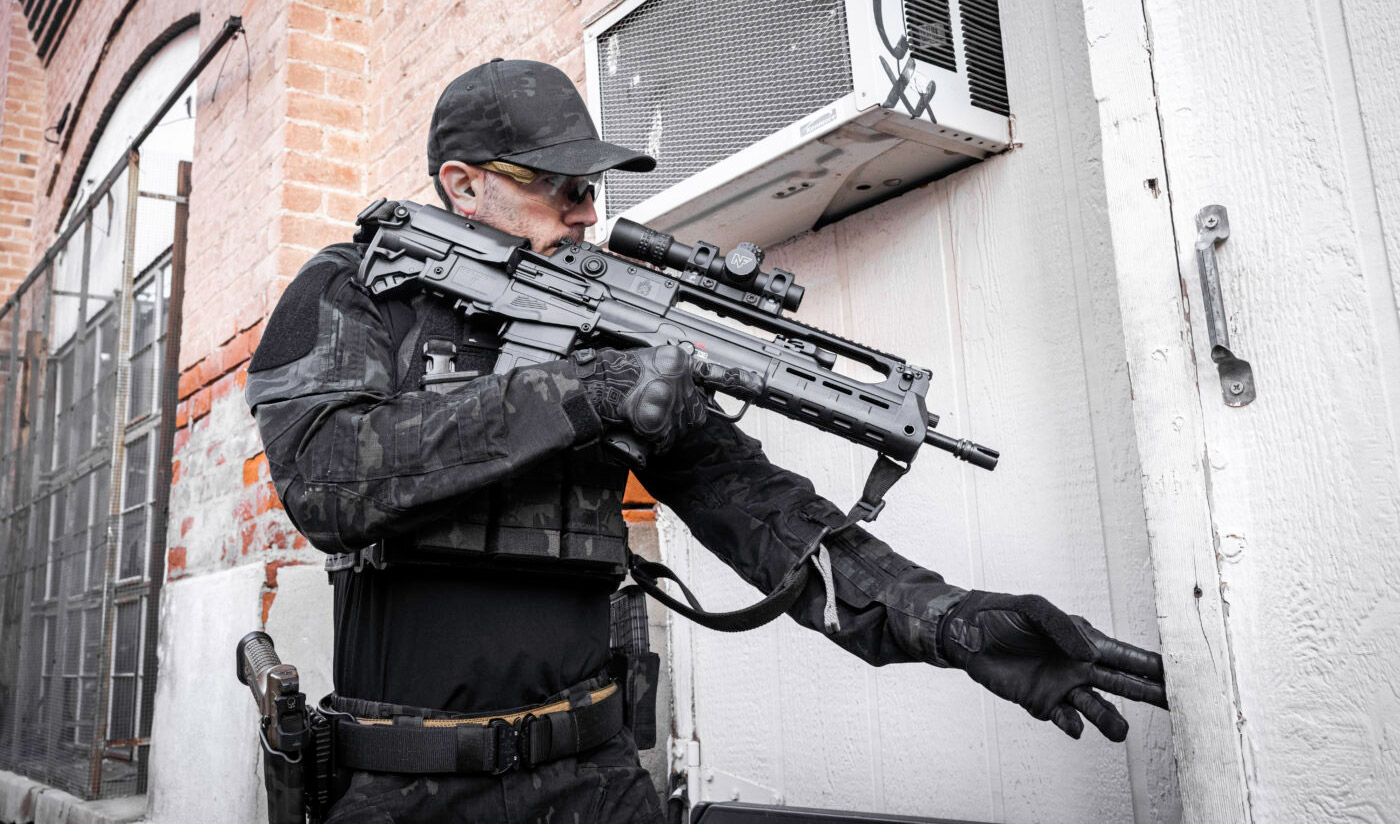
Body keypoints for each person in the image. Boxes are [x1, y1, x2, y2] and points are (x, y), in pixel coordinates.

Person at [244, 58, 1169, 824]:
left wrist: (944, 619)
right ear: (464, 185)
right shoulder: (353, 291)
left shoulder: (615, 335)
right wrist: (584, 391)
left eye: (592, 187)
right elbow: (328, 481)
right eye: (559, 185)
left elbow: (766, 518)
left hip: (596, 780)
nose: (583, 211)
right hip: (408, 789)